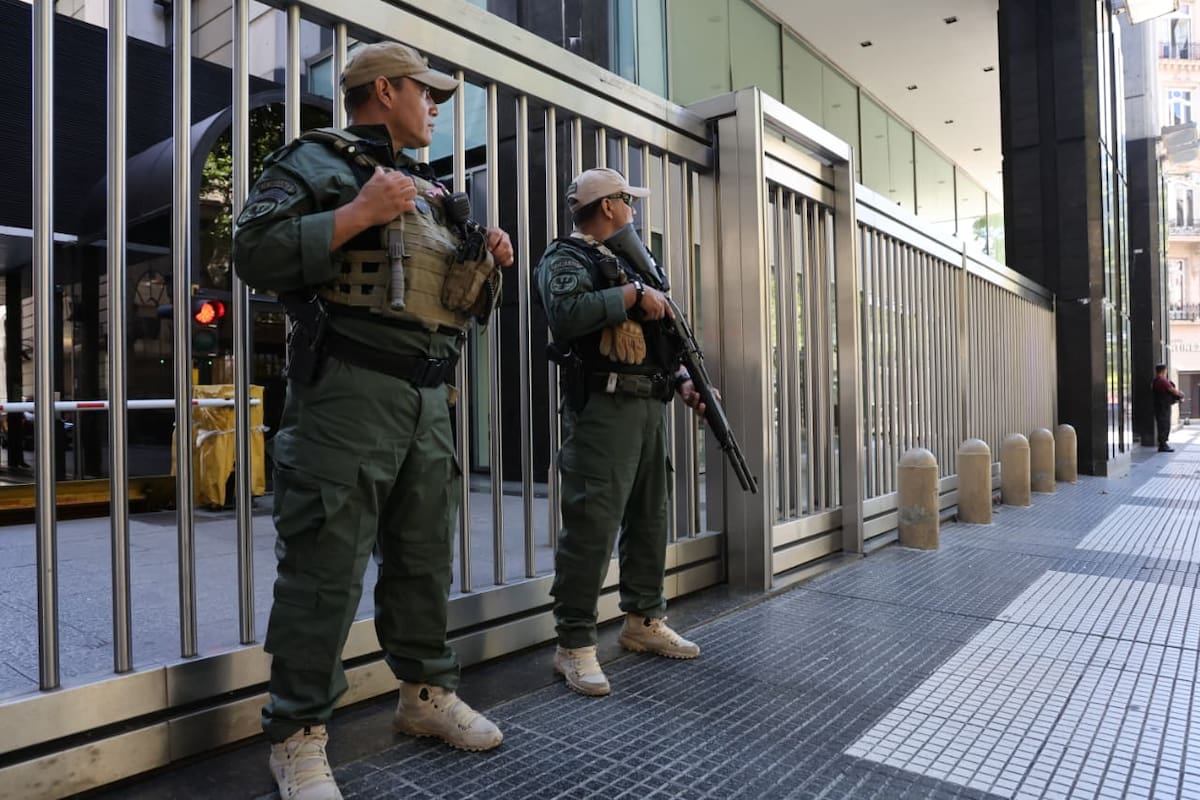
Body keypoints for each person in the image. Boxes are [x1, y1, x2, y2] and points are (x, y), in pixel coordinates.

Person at [233, 41, 513, 800]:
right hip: (347, 394)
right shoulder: (315, 163)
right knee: (324, 572)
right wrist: (357, 212)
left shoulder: (433, 185)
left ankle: (425, 694)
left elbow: (450, 294)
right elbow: (252, 251)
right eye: (427, 93)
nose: (435, 107)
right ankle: (297, 736)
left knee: (423, 560)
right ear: (384, 89)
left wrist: (484, 253)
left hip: (427, 399)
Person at [534, 167, 706, 698]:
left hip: (648, 404)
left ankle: (643, 619)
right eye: (627, 201)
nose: (632, 209)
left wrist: (685, 379)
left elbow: (663, 338)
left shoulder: (634, 262)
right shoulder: (568, 257)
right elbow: (565, 314)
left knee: (650, 516)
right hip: (603, 409)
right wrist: (630, 297)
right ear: (607, 206)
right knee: (592, 523)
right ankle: (574, 643)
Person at [1153, 363, 1185, 452]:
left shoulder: (1156, 380)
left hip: (1160, 406)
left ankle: (1163, 444)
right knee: (1164, 424)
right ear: (1164, 370)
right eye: (1166, 370)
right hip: (1163, 407)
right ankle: (1163, 445)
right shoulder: (1162, 380)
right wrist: (1181, 394)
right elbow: (1172, 390)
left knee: (1162, 424)